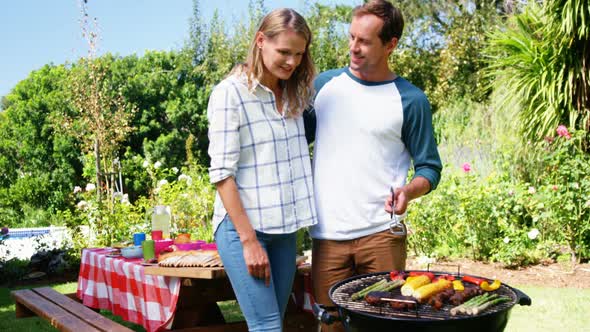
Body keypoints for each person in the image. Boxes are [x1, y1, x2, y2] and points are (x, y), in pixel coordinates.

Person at [304, 1, 442, 330]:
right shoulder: (323, 88)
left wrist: (409, 190)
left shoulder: (410, 100)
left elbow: (429, 168)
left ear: (390, 44)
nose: (354, 47)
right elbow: (290, 142)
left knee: (385, 325)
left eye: (364, 41)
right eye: (352, 37)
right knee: (331, 326)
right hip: (328, 235)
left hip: (382, 235)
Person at [206, 8, 317, 332]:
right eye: (284, 52)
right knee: (267, 326)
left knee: (275, 323)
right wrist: (249, 241)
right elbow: (222, 174)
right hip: (243, 229)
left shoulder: (296, 94)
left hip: (285, 229)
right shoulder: (230, 94)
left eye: (299, 54)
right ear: (260, 41)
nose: (292, 62)